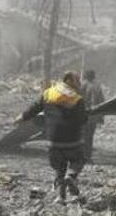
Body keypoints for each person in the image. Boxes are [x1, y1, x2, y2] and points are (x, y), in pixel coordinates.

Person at [18, 71, 88, 203]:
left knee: (59, 168)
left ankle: (61, 197)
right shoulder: (77, 99)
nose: (79, 83)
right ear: (70, 81)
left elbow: (34, 108)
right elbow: (83, 119)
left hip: (53, 141)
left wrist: (22, 117)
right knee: (78, 160)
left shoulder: (48, 94)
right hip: (73, 140)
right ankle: (71, 176)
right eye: (77, 80)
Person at [81, 69, 105, 163]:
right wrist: (101, 117)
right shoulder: (97, 86)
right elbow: (102, 102)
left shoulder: (82, 85)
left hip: (84, 115)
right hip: (93, 115)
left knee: (82, 136)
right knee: (89, 137)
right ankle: (88, 157)